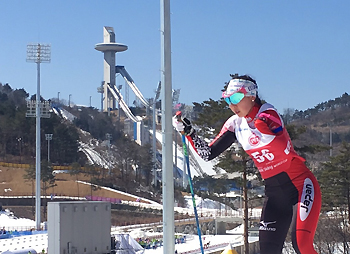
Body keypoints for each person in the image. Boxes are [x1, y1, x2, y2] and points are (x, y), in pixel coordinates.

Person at [173, 74, 322, 254]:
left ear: (252, 96)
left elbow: (282, 146)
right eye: (227, 100)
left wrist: (263, 128)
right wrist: (189, 132)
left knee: (302, 245)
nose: (231, 105)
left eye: (236, 98)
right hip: (275, 196)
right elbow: (208, 153)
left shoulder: (267, 114)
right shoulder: (235, 124)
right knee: (267, 251)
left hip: (301, 185)